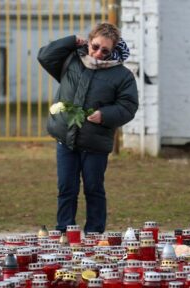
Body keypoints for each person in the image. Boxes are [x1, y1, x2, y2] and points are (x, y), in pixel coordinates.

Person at [37, 23, 138, 234]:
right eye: (95, 46)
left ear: (114, 51)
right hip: (66, 139)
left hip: (95, 143)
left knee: (93, 189)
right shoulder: (72, 60)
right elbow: (45, 56)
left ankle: (94, 233)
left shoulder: (122, 76)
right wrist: (71, 40)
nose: (98, 53)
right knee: (66, 188)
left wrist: (104, 115)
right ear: (88, 41)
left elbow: (128, 107)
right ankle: (65, 232)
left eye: (105, 50)